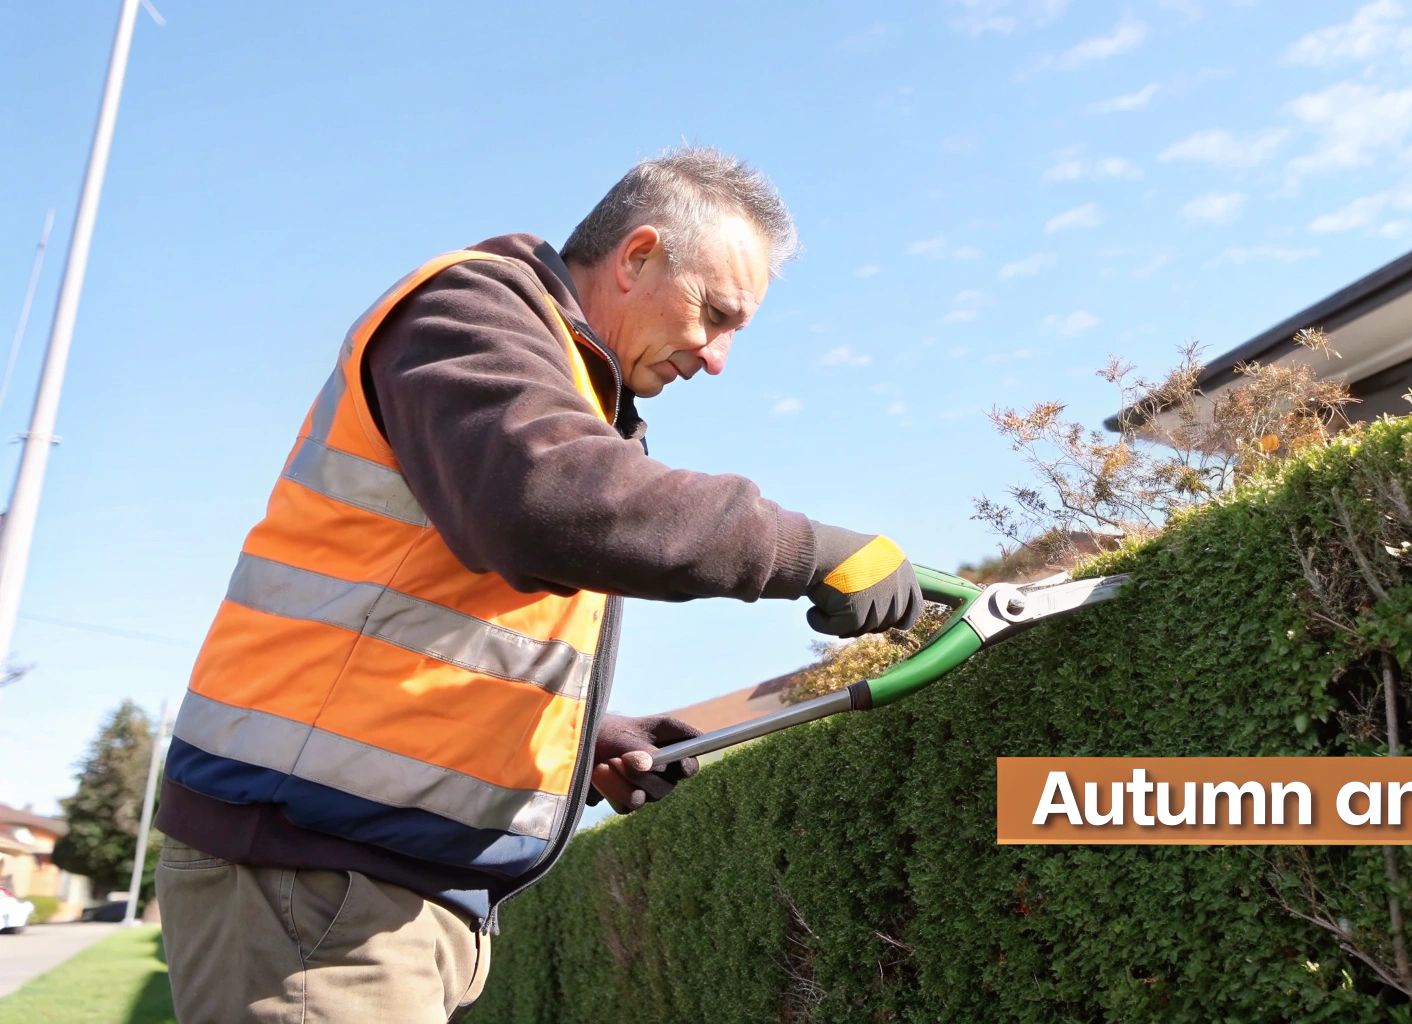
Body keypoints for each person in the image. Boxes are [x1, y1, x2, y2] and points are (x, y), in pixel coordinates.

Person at [153, 147, 923, 1022]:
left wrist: (584, 734)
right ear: (636, 257)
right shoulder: (469, 309)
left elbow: (450, 616)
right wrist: (804, 549)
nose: (717, 359)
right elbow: (545, 503)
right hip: (312, 877)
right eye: (714, 313)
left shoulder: (571, 386)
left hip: (366, 887)